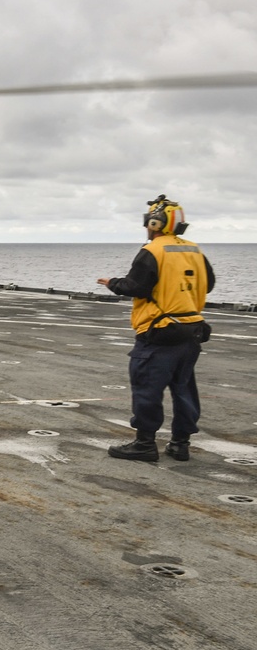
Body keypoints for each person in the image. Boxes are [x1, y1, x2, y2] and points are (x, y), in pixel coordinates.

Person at [97, 195, 215, 463]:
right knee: (184, 387)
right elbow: (208, 285)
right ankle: (180, 444)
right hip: (192, 328)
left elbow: (135, 287)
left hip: (160, 330)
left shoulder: (153, 250)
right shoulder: (195, 250)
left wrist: (112, 282)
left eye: (148, 222)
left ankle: (145, 443)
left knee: (147, 386)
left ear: (156, 222)